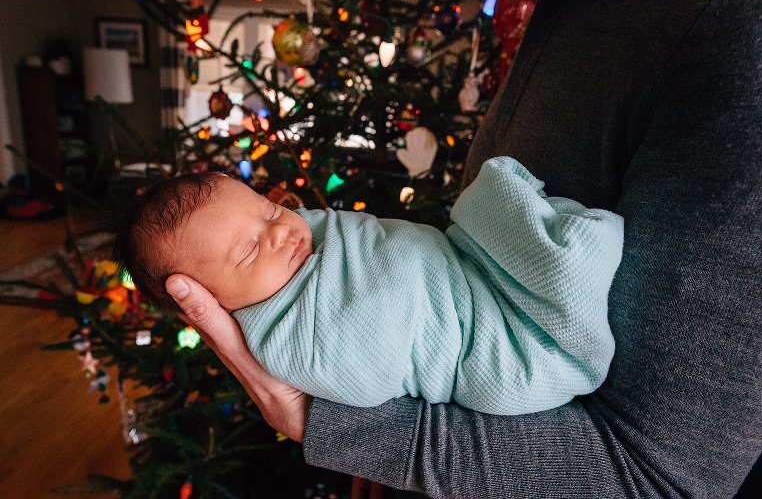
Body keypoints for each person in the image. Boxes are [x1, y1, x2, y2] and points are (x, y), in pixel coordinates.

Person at [164, 0, 762, 496]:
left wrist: (331, 426)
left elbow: (660, 480)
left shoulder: (738, 34)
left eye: (274, 212)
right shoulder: (569, 5)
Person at [117, 157, 623, 415]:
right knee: (561, 261)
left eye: (269, 210)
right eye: (249, 250)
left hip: (464, 270)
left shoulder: (298, 241)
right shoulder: (288, 338)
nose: (278, 232)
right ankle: (558, 266)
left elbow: (339, 230)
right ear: (212, 302)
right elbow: (368, 372)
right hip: (486, 347)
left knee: (486, 195)